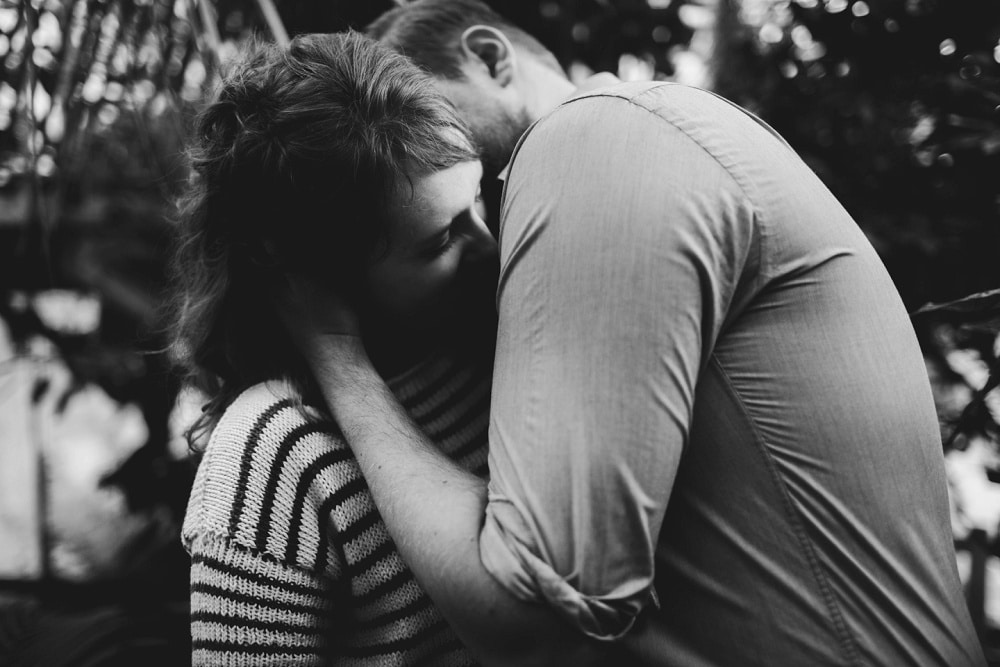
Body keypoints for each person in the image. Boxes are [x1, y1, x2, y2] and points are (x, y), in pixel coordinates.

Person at [278, 1, 986, 666]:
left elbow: (526, 616)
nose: (405, 160)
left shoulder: (590, 142)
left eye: (419, 114)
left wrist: (335, 353)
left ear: (491, 59)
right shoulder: (667, 130)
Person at [170, 31, 499, 665]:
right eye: (440, 240)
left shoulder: (492, 343)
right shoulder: (270, 459)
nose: (490, 246)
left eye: (477, 197)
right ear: (311, 268)